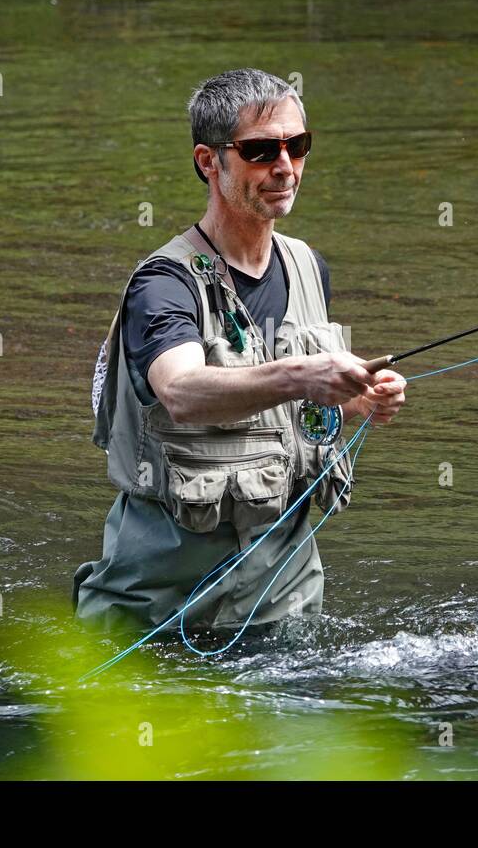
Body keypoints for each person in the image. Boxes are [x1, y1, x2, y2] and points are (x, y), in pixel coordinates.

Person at [73, 67, 407, 633]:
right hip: (158, 622)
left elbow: (293, 417)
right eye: (259, 150)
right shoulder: (163, 285)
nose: (285, 166)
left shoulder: (307, 266)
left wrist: (355, 399)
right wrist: (304, 374)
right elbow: (181, 391)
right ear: (210, 161)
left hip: (285, 614)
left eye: (297, 146)